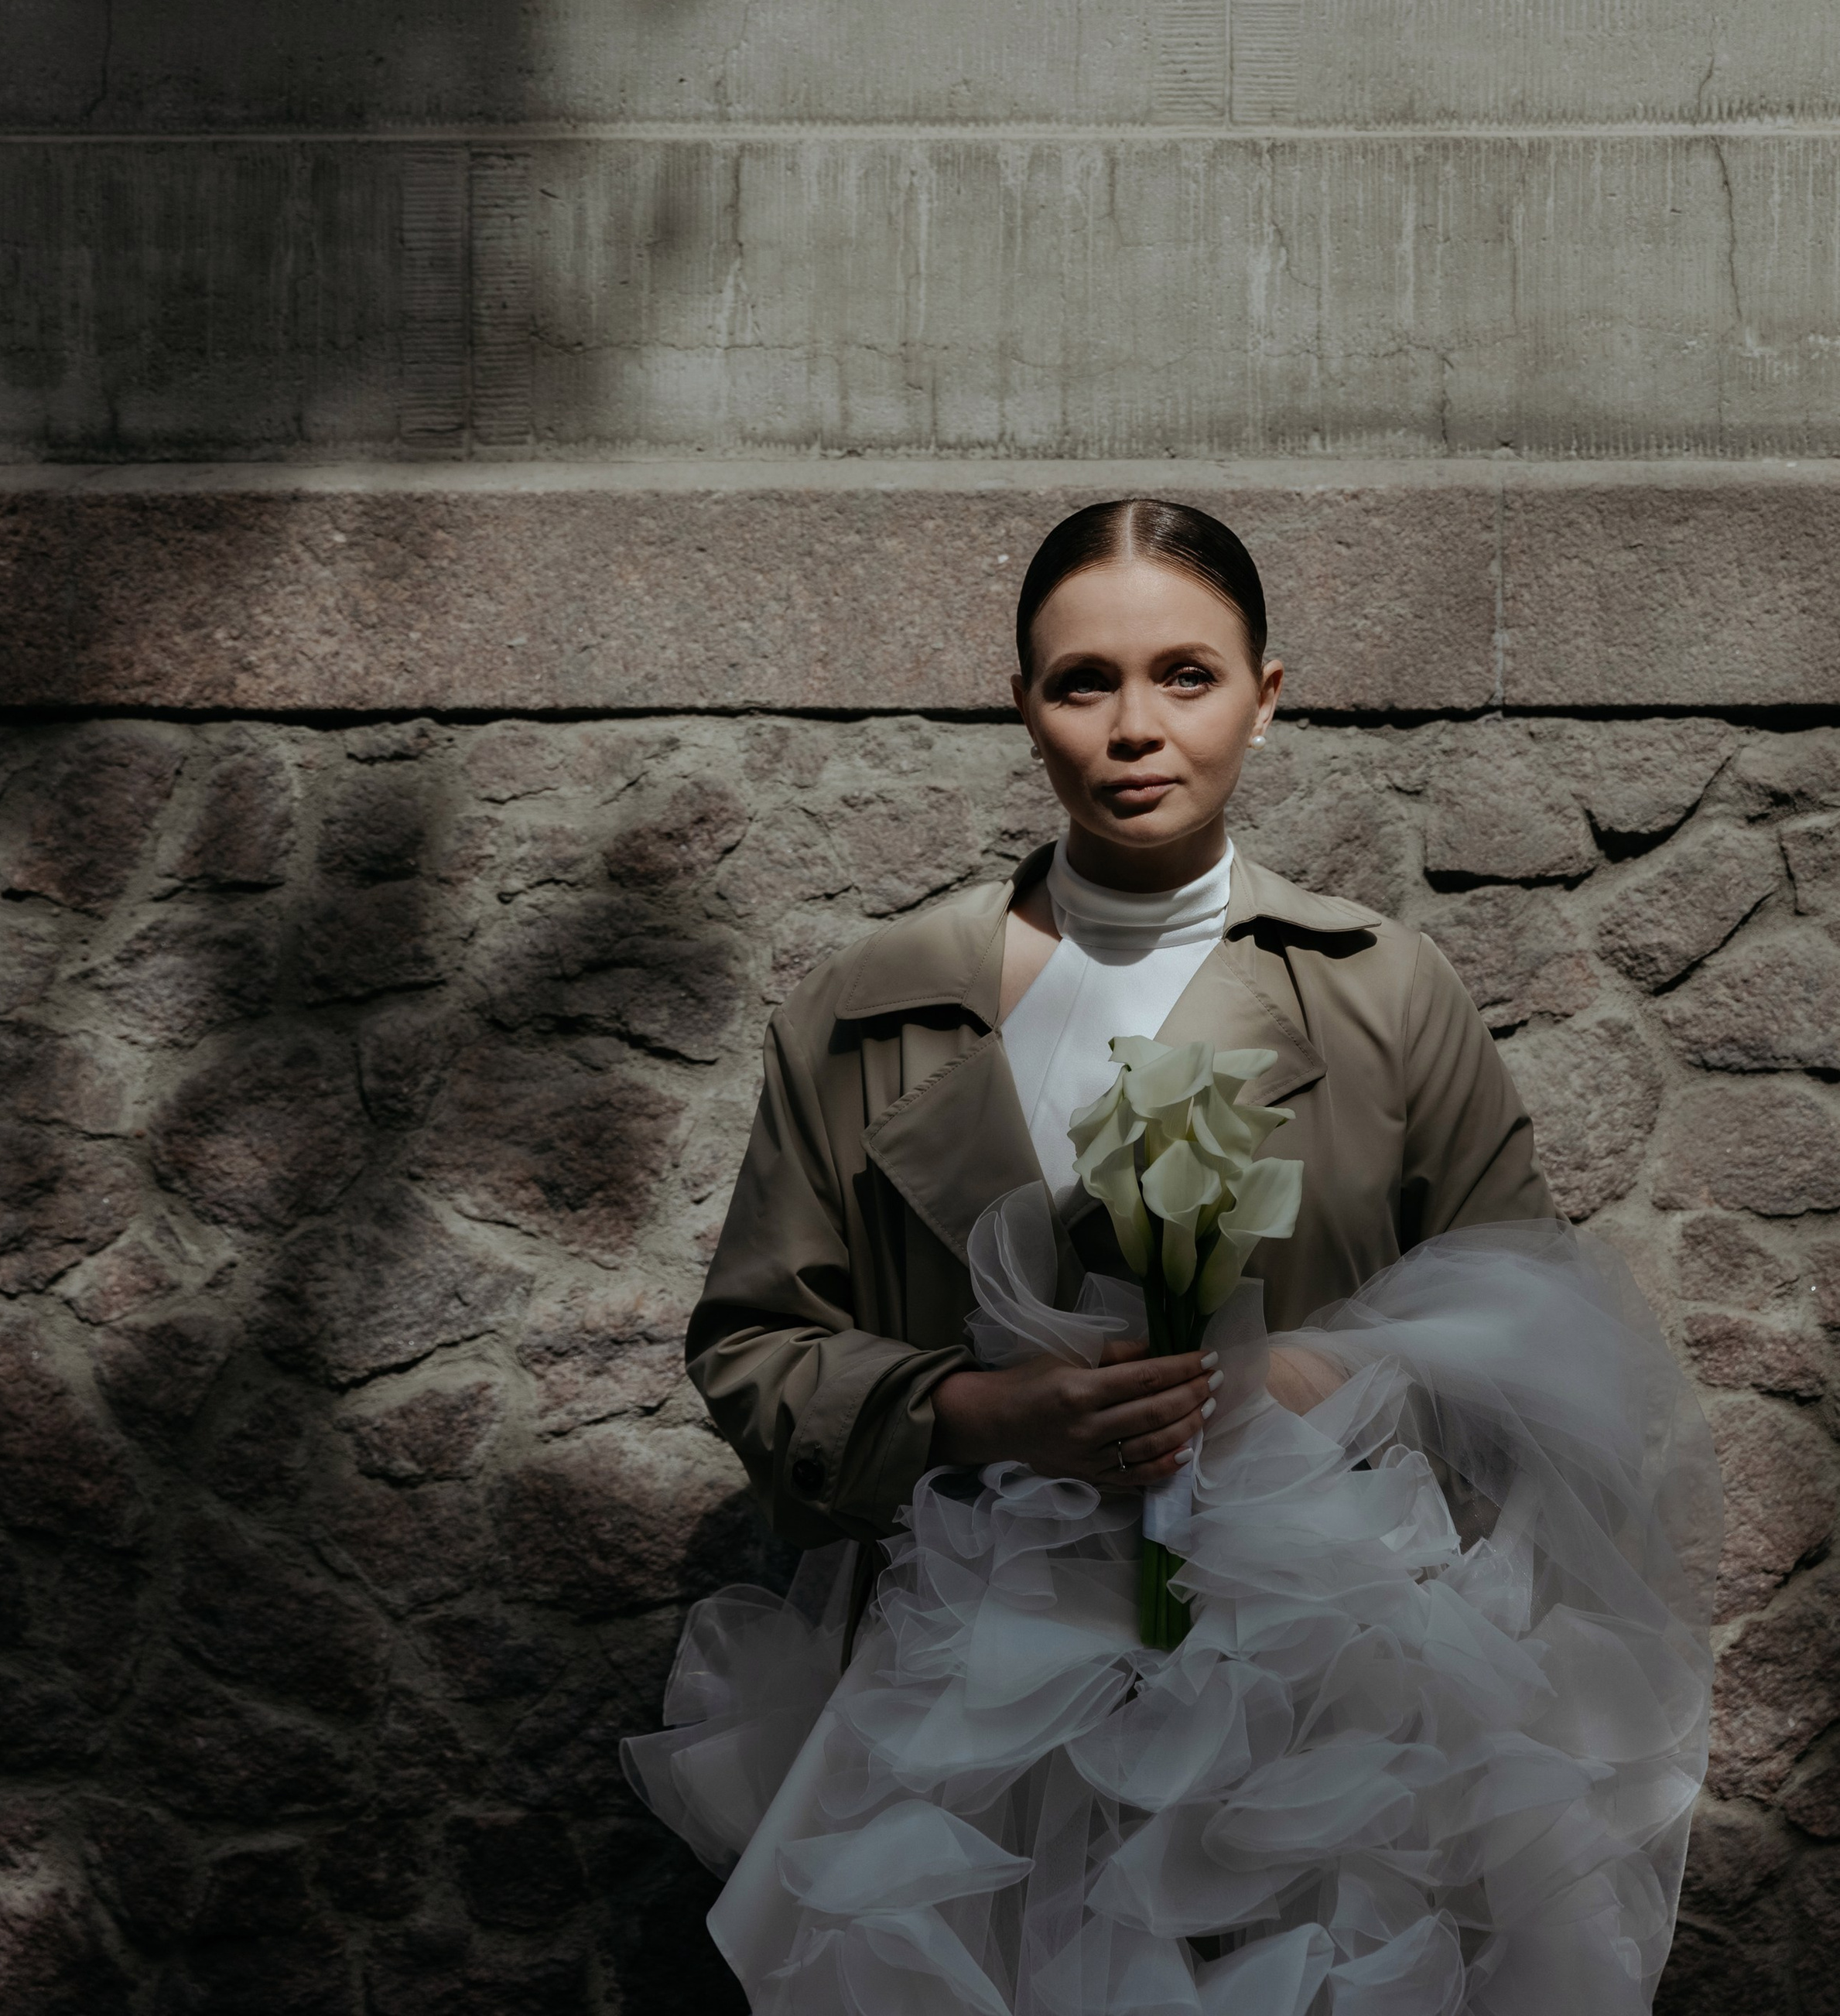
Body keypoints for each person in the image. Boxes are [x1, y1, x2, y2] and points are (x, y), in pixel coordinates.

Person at [625, 500, 1717, 2016]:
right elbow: (754, 1347)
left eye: (1185, 673)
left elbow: (1533, 1326)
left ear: (1265, 692)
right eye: (1082, 681)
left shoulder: (1382, 997)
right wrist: (981, 1411)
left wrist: (1302, 1376)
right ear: (1022, 704)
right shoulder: (865, 1005)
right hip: (967, 1728)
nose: (1134, 725)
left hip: (1321, 1730)